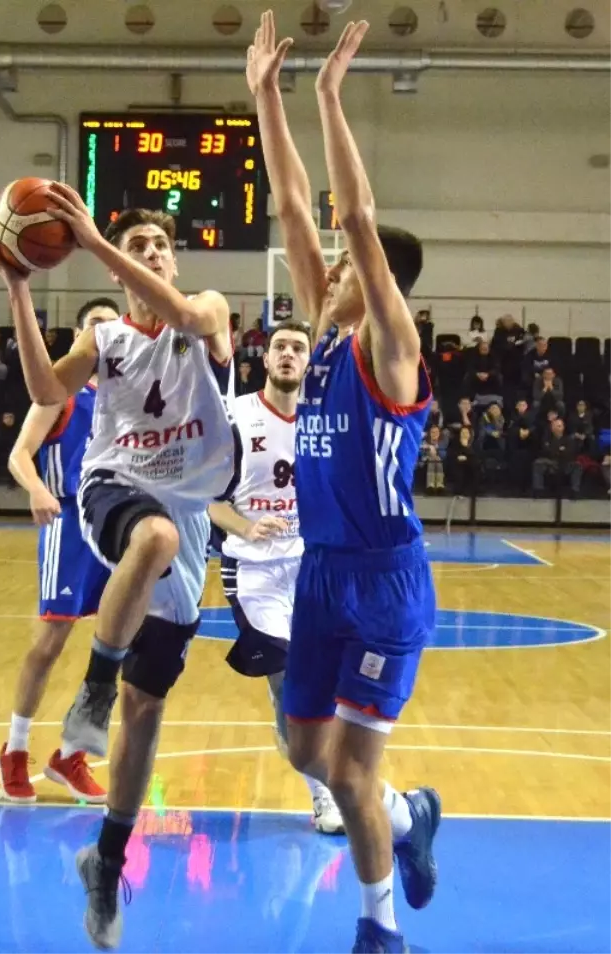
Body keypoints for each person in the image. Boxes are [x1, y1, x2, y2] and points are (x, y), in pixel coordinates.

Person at [0, 196, 239, 949]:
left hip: (188, 511)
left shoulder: (208, 308)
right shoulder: (105, 336)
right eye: (140, 241)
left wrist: (100, 240)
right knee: (154, 534)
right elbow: (44, 392)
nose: (153, 250)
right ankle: (94, 684)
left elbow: (195, 323)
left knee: (149, 713)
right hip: (113, 488)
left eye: (160, 242)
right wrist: (19, 288)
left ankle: (106, 859)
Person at [248, 13, 441, 954]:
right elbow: (295, 206)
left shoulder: (391, 349)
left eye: (342, 265)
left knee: (353, 778)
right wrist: (261, 101)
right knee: (306, 756)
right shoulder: (322, 338)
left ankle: (380, 932)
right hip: (320, 572)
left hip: (383, 580)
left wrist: (325, 94)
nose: (320, 265)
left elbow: (352, 219)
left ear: (381, 282)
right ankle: (411, 819)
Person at [207, 320, 345, 835]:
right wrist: (247, 524)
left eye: (297, 348)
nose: (288, 355)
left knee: (321, 684)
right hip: (253, 568)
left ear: (309, 362)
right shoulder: (236, 416)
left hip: (312, 565)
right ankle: (323, 796)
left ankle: (314, 752)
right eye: (279, 347)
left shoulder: (323, 420)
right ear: (264, 359)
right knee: (288, 678)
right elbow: (208, 500)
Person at [0, 296, 119, 805]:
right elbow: (19, 453)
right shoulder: (60, 393)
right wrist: (37, 489)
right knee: (49, 643)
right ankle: (16, 750)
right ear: (78, 336)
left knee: (117, 647)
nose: (105, 335)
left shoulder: (133, 396)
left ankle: (72, 756)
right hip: (69, 522)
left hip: (117, 524)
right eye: (96, 326)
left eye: (114, 327)